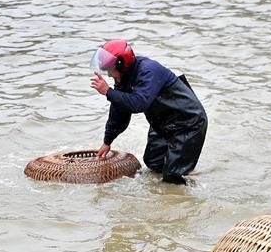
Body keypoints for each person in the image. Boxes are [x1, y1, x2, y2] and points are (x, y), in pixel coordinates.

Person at [89, 39, 208, 184]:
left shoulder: (148, 70)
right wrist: (107, 141)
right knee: (153, 163)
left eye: (110, 70)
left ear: (121, 64)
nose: (109, 75)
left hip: (188, 123)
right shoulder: (124, 76)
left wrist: (108, 91)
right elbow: (120, 109)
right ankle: (184, 168)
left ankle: (187, 191)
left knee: (171, 176)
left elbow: (139, 103)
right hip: (164, 122)